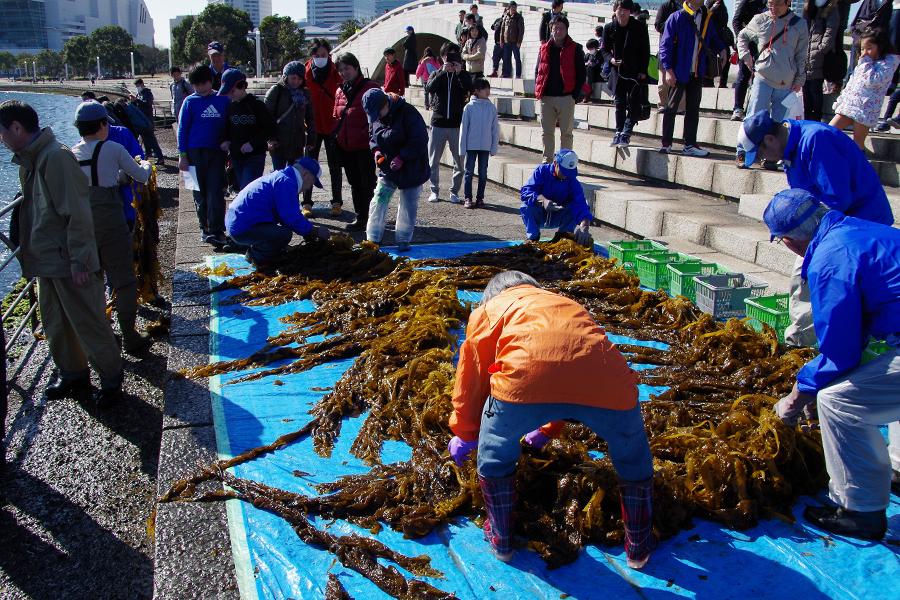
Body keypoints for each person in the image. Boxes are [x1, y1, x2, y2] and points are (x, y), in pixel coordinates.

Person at [447, 270, 656, 567]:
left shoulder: (488, 310)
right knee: (632, 452)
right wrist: (548, 430)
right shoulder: (564, 302)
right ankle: (639, 547)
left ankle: (501, 540)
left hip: (521, 386)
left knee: (495, 452)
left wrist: (467, 433)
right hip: (611, 382)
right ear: (533, 286)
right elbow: (568, 360)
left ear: (491, 295)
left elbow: (472, 377)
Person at [762, 189, 900, 542]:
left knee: (838, 401)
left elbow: (841, 352)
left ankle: (860, 511)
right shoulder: (858, 229)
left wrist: (795, 399)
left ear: (790, 241)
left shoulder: (830, 261)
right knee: (878, 387)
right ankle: (896, 470)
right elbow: (861, 329)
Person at [0, 100, 124, 407]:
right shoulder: (33, 159)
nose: (0, 138)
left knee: (88, 320)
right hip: (48, 259)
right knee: (56, 322)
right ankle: (73, 373)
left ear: (16, 127)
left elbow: (78, 213)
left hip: (67, 259)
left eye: (1, 131)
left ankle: (110, 378)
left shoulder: (54, 157)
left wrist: (81, 259)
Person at [738, 109, 895, 347]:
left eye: (760, 153)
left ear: (770, 139)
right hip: (830, 222)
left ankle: (805, 346)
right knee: (811, 278)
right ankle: (817, 342)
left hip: (857, 220)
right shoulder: (790, 147)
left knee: (812, 277)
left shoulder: (817, 139)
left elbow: (837, 197)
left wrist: (816, 247)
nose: (764, 159)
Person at [71, 101, 154, 354]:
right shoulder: (113, 148)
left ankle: (104, 336)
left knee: (93, 283)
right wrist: (148, 165)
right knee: (123, 279)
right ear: (103, 124)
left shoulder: (70, 154)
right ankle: (129, 335)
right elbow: (141, 176)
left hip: (83, 224)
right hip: (111, 220)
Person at [736, 0, 808, 169]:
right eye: (770, 4)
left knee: (778, 122)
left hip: (786, 79)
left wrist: (799, 80)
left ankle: (770, 157)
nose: (773, 8)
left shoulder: (799, 24)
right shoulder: (760, 19)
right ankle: (742, 152)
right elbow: (742, 36)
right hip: (763, 75)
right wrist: (745, 54)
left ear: (787, 3)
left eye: (778, 4)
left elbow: (802, 55)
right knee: (753, 116)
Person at [225, 158, 331, 268]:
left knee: (282, 232)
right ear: (304, 174)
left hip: (238, 222)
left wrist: (307, 231)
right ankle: (256, 256)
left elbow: (288, 214)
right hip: (242, 229)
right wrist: (314, 231)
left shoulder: (282, 177)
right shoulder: (287, 183)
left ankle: (264, 250)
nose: (309, 188)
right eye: (311, 183)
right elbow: (291, 218)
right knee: (283, 235)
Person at [362, 89, 431, 252]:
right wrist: (376, 151)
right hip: (388, 167)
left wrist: (402, 157)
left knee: (408, 203)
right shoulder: (376, 117)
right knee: (379, 199)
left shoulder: (408, 113)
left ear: (386, 103)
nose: (377, 117)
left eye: (378, 112)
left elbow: (420, 140)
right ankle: (373, 239)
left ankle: (403, 239)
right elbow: (372, 137)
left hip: (412, 167)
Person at [658, 0, 727, 156]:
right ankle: (666, 142)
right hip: (679, 70)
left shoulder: (706, 17)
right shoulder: (676, 17)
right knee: (671, 108)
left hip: (698, 70)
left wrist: (722, 48)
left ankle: (689, 144)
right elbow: (665, 45)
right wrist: (668, 70)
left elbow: (712, 38)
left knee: (693, 109)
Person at [178, 64, 231, 247]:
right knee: (198, 193)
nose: (202, 87)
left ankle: (217, 230)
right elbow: (182, 129)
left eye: (205, 83)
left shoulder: (222, 99)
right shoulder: (189, 102)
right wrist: (182, 155)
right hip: (192, 154)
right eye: (197, 84)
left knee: (216, 191)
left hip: (217, 153)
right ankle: (205, 228)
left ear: (211, 81)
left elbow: (229, 124)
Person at [332, 52, 380, 231]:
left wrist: (363, 135)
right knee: (354, 183)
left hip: (364, 146)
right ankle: (361, 217)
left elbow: (378, 117)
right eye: (341, 70)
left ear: (356, 68)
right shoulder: (339, 90)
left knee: (368, 183)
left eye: (348, 68)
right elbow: (336, 115)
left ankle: (372, 218)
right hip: (346, 145)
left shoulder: (371, 87)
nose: (344, 73)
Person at [830, 26, 900, 149]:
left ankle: (859, 167)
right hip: (849, 105)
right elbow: (851, 85)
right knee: (828, 132)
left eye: (869, 48)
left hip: (866, 109)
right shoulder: (863, 62)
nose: (865, 52)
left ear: (881, 46)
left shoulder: (888, 62)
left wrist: (866, 63)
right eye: (862, 49)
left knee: (858, 142)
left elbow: (873, 81)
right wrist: (839, 102)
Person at [424, 42, 474, 204]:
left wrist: (458, 72)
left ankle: (454, 191)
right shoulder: (437, 73)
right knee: (433, 160)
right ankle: (434, 190)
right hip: (438, 122)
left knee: (459, 161)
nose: (450, 60)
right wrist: (442, 73)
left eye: (454, 56)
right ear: (442, 57)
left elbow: (469, 88)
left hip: (455, 123)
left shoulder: (463, 74)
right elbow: (430, 88)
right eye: (447, 56)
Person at [535, 16, 586, 163]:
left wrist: (574, 94)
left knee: (566, 133)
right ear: (551, 30)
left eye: (561, 28)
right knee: (547, 132)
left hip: (566, 97)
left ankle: (564, 163)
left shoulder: (575, 48)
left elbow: (581, 73)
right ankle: (548, 162)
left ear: (566, 30)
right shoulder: (544, 49)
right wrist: (539, 91)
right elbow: (538, 70)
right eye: (555, 28)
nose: (558, 31)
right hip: (546, 97)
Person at [601, 0, 651, 148]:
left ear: (630, 12)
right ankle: (618, 132)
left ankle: (627, 131)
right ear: (615, 11)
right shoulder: (609, 28)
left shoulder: (640, 27)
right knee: (619, 102)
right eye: (619, 9)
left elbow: (645, 50)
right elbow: (604, 50)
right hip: (618, 71)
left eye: (625, 10)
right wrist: (611, 60)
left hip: (635, 71)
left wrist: (643, 71)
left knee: (634, 101)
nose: (622, 13)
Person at [219, 69, 277, 191]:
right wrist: (224, 140)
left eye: (233, 91)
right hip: (236, 158)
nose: (230, 94)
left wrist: (252, 143)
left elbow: (271, 128)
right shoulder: (231, 106)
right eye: (228, 92)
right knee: (244, 191)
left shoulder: (257, 105)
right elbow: (226, 127)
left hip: (254, 157)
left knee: (249, 190)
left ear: (243, 86)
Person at [305, 38, 345, 217]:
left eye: (324, 55)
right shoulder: (304, 72)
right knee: (307, 165)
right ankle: (306, 202)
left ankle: (337, 202)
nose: (321, 58)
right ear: (311, 56)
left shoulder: (336, 71)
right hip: (311, 126)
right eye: (317, 55)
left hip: (332, 125)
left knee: (335, 165)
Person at [520, 149, 593, 245]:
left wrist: (584, 227)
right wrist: (543, 201)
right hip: (540, 214)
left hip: (559, 216)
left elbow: (581, 206)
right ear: (555, 163)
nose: (566, 176)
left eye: (569, 172)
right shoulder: (541, 171)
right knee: (527, 206)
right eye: (563, 171)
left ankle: (563, 238)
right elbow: (527, 191)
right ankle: (533, 238)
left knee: (573, 208)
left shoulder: (573, 182)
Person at [265, 61, 316, 176]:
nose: (296, 82)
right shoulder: (276, 91)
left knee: (296, 177)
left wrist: (312, 138)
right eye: (293, 78)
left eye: (299, 79)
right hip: (279, 142)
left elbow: (310, 117)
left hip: (297, 141)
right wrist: (271, 138)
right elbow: (267, 117)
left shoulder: (305, 93)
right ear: (286, 77)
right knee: (279, 176)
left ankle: (294, 195)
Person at [459, 78, 499, 209]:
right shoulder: (469, 107)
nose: (487, 91)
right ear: (477, 90)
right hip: (471, 144)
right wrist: (462, 147)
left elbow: (495, 129)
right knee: (469, 172)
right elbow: (464, 128)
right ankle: (467, 198)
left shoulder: (491, 108)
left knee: (483, 172)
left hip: (485, 145)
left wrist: (493, 148)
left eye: (488, 88)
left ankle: (480, 198)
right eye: (484, 88)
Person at [802, 0, 841, 124]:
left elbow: (831, 29)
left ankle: (816, 118)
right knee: (806, 90)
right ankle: (807, 117)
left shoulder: (831, 9)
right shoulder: (808, 8)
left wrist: (823, 47)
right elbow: (802, 27)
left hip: (819, 55)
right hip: (806, 53)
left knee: (815, 89)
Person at [731, 0, 767, 120]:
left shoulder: (771, 4)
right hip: (748, 44)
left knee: (760, 78)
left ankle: (752, 109)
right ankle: (738, 109)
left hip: (765, 46)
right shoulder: (747, 1)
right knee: (743, 75)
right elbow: (736, 20)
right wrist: (741, 41)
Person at [654, 0, 686, 112]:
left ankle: (681, 107)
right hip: (666, 48)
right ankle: (663, 104)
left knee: (681, 81)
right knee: (663, 81)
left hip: (683, 49)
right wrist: (672, 26)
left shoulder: (689, 7)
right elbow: (658, 25)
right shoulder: (666, 6)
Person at [705, 0, 734, 88]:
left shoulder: (723, 5)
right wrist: (713, 8)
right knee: (711, 59)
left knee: (726, 59)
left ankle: (723, 83)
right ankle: (709, 81)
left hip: (722, 37)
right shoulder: (710, 3)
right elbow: (706, 18)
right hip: (712, 37)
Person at [501, 1, 525, 78]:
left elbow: (521, 30)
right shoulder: (505, 17)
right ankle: (507, 73)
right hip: (507, 41)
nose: (514, 8)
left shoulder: (519, 17)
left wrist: (519, 41)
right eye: (512, 7)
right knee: (507, 58)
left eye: (515, 7)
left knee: (517, 58)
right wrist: (502, 41)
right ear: (509, 8)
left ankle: (518, 74)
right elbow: (502, 30)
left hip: (515, 42)